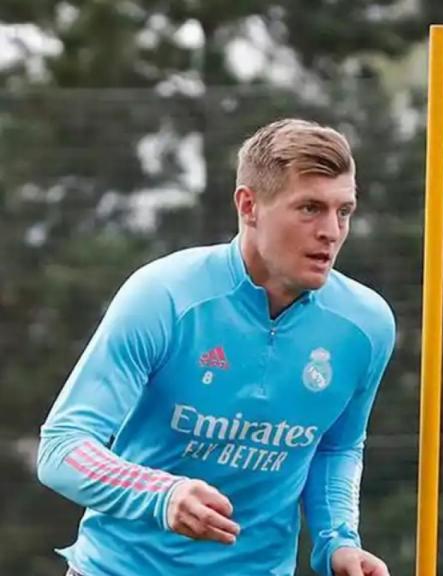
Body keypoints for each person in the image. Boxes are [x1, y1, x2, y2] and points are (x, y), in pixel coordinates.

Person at [36, 118, 395, 576]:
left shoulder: (366, 325)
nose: (331, 231)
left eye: (343, 211)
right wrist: (160, 495)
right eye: (309, 208)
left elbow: (336, 448)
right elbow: (62, 447)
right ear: (249, 206)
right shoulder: (164, 295)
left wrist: (338, 542)